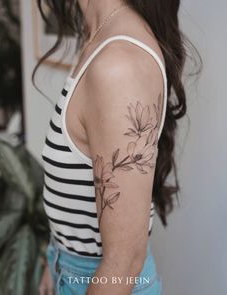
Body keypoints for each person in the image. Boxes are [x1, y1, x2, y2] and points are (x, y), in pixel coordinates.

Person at [35, 0, 188, 294]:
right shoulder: (99, 34)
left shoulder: (119, 64)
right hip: (70, 272)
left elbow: (125, 260)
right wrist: (54, 259)